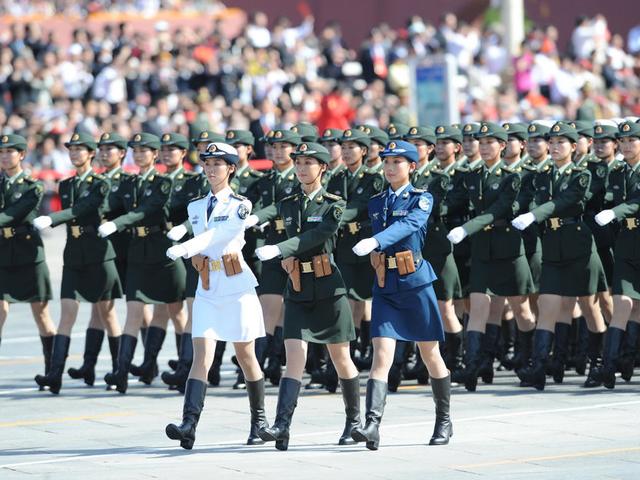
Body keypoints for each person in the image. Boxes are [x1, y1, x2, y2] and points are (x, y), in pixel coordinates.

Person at [249, 141, 358, 450]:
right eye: (297, 162)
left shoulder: (334, 204)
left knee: (341, 357)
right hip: (297, 286)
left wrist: (280, 249)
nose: (300, 168)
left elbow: (317, 235)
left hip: (328, 287)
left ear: (322, 167)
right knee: (294, 356)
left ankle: (354, 422)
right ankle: (282, 425)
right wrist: (284, 254)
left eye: (308, 162)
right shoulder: (288, 203)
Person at [164, 142, 267, 449]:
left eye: (217, 164)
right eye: (207, 164)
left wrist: (186, 248)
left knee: (246, 355)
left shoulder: (240, 205)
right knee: (201, 356)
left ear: (231, 168)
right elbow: (204, 238)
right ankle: (189, 424)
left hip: (236, 286)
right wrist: (190, 249)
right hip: (208, 286)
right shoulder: (195, 207)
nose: (210, 169)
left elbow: (219, 236)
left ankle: (259, 422)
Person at [350, 140, 452, 450]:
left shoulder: (422, 199)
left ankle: (444, 420)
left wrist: (375, 241)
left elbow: (409, 225)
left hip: (414, 284)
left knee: (430, 354)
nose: (391, 167)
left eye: (397, 162)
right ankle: (372, 425)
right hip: (386, 284)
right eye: (387, 162)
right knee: (381, 355)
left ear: (412, 166)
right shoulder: (377, 202)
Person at [512, 121, 608, 390]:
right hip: (553, 245)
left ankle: (597, 364)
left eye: (561, 143)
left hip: (579, 244)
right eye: (552, 142)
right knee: (547, 304)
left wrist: (534, 215)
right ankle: (539, 366)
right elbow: (531, 199)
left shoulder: (582, 174)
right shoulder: (542, 175)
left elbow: (565, 201)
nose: (555, 147)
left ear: (574, 146)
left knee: (589, 306)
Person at [447, 123, 536, 392]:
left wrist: (466, 228)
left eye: (490, 143)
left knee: (521, 309)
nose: (484, 147)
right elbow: (453, 201)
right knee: (478, 306)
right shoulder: (473, 175)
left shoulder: (513, 176)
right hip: (483, 248)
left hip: (509, 247)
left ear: (502, 145)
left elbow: (499, 208)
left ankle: (528, 359)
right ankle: (474, 365)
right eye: (481, 143)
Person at [33, 132, 123, 394]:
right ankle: (55, 375)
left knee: (107, 314)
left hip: (99, 254)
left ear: (91, 154)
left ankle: (118, 372)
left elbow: (83, 208)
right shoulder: (66, 184)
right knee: (67, 313)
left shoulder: (101, 183)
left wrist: (52, 218)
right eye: (71, 150)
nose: (74, 154)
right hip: (74, 254)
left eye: (79, 149)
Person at [98, 133, 186, 394]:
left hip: (163, 250)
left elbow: (146, 209)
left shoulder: (163, 183)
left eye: (144, 151)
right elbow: (109, 205)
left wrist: (117, 223)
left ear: (154, 154)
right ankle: (122, 371)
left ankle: (184, 368)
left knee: (175, 310)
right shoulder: (129, 182)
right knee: (134, 311)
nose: (138, 155)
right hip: (138, 251)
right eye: (135, 151)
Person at [66, 132, 130, 387]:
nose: (104, 153)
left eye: (109, 149)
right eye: (101, 149)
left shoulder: (126, 181)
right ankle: (90, 365)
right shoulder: (97, 180)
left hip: (121, 251)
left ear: (121, 153)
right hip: (99, 251)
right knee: (99, 308)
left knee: (137, 310)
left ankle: (136, 365)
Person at [587, 120, 640, 388]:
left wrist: (614, 212)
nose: (627, 145)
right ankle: (609, 366)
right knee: (622, 304)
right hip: (626, 242)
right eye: (623, 141)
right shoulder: (618, 171)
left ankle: (629, 358)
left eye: (632, 140)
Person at [0, 134, 56, 383]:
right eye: (1, 152)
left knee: (41, 315)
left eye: (10, 152)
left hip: (28, 254)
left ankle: (52, 370)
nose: (4, 157)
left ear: (22, 155)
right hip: (3, 254)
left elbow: (14, 214)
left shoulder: (33, 187)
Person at [250, 129, 302, 386]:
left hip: (294, 245)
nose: (278, 151)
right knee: (268, 306)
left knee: (287, 309)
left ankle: (274, 360)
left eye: (284, 146)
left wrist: (259, 216)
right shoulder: (267, 179)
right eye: (274, 146)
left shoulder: (300, 176)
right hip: (271, 243)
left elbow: (282, 206)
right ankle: (258, 365)